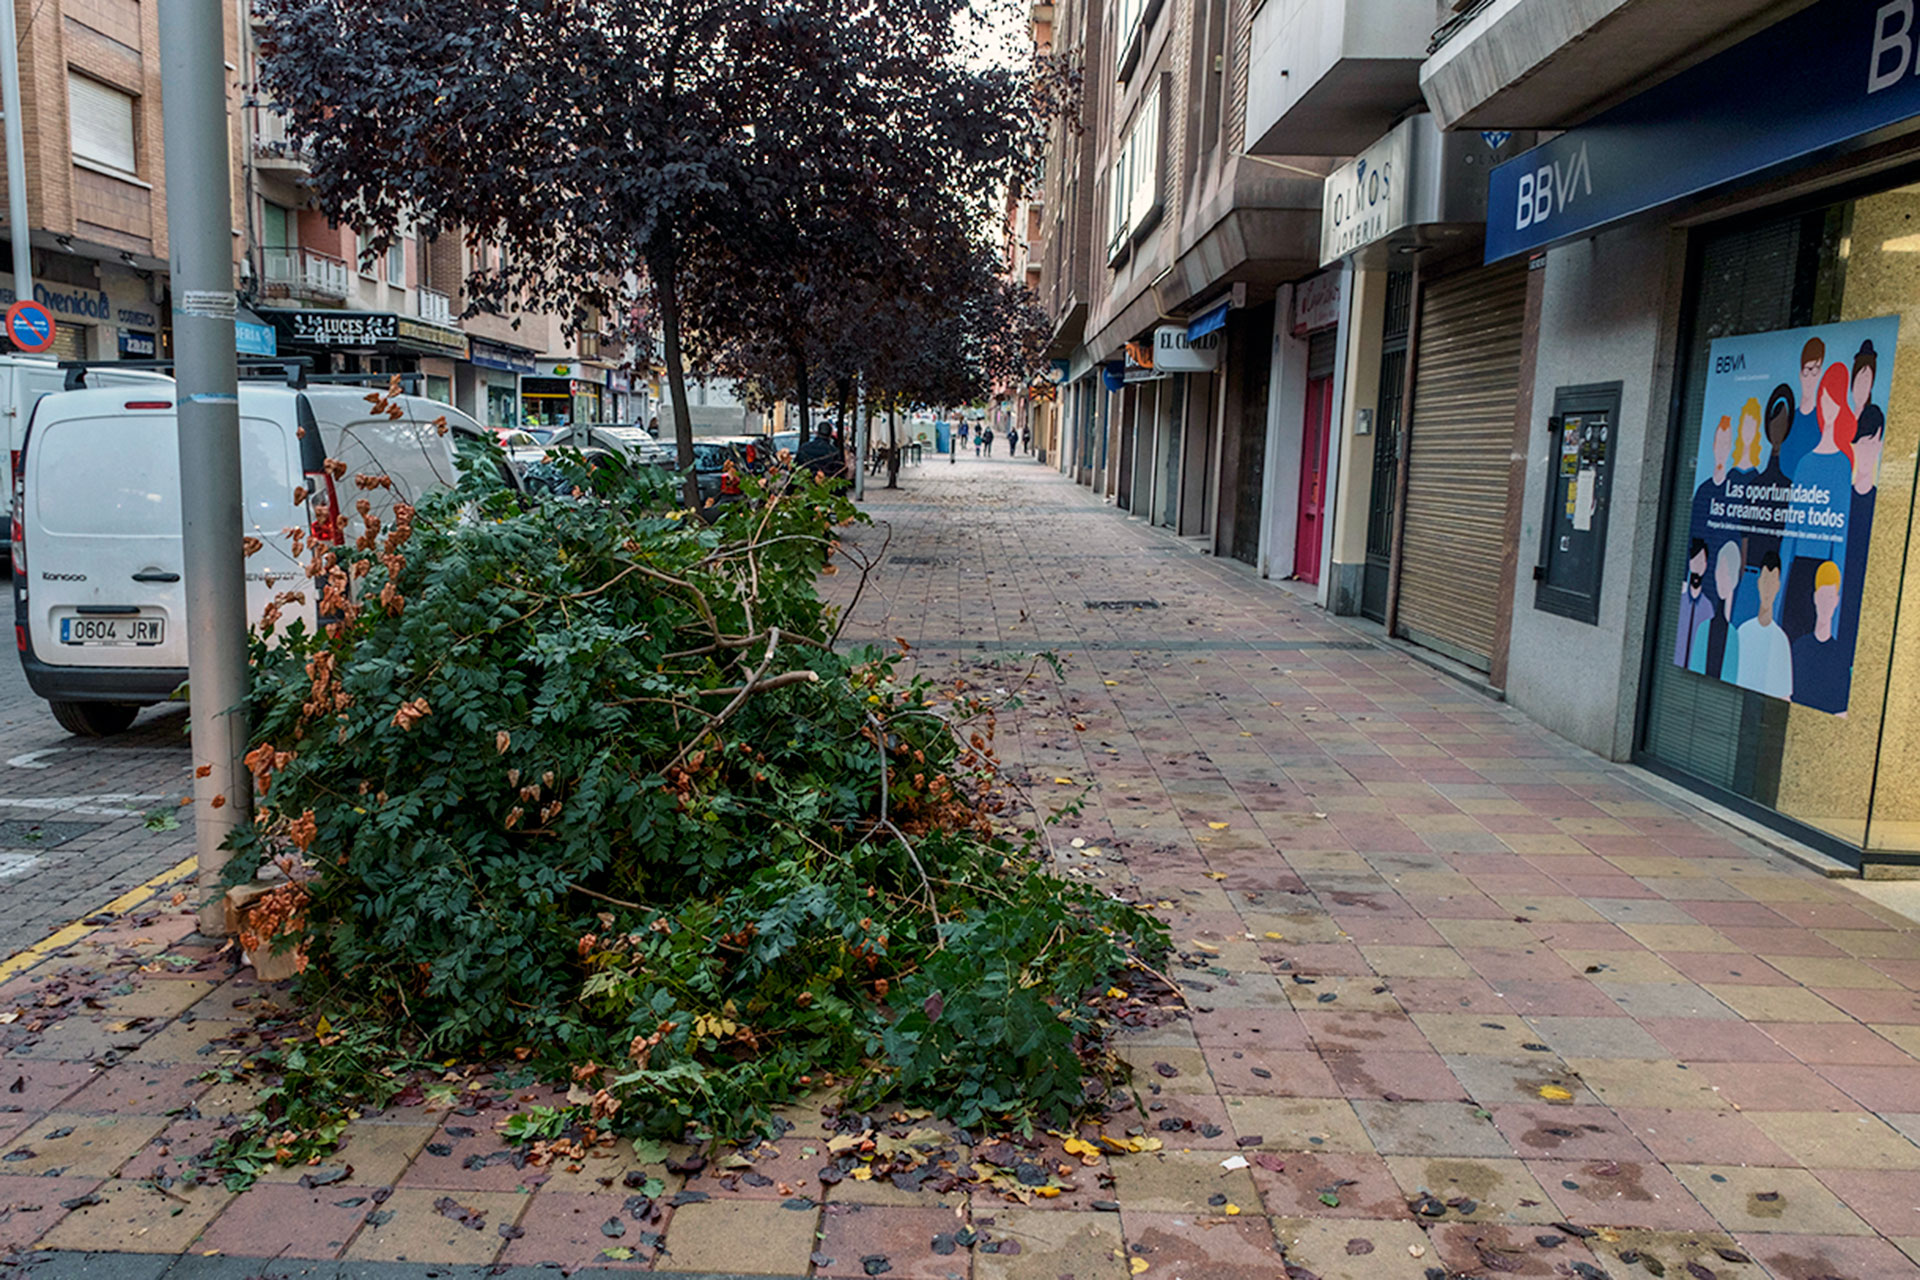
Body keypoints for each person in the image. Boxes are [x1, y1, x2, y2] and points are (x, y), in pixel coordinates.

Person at [1780, 361, 1855, 640]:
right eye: (1824, 399)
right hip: (1798, 569)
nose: (1827, 406)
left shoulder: (1843, 465)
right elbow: (1791, 532)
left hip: (1822, 571)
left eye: (1834, 399)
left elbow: (1840, 534)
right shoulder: (1805, 463)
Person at [1841, 340, 1883, 647]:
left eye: (1868, 378)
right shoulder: (1839, 422)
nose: (1862, 384)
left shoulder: (1873, 418)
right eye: (1859, 377)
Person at [1791, 561, 1849, 713]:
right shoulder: (1799, 648)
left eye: (1830, 597)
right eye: (1822, 596)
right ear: (1815, 598)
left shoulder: (1840, 655)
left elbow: (1842, 710)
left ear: (1836, 601)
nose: (1825, 604)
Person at [1735, 551, 1793, 699]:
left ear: (1778, 586)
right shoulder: (1743, 633)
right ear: (1758, 583)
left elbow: (1784, 694)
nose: (1768, 589)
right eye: (1765, 580)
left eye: (1773, 581)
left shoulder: (1781, 640)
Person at [1690, 541, 1743, 681]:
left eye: (1727, 573)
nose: (1722, 578)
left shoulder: (1733, 635)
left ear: (1735, 578)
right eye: (1720, 570)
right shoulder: (1704, 628)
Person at [1779, 336, 1825, 478]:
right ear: (1800, 374)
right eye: (1807, 370)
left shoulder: (1823, 421)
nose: (1810, 377)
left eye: (1815, 370)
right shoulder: (1789, 421)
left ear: (1820, 374)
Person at [1674, 539, 1716, 671]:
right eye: (1694, 561)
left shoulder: (1708, 608)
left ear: (1705, 565)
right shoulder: (1679, 603)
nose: (1697, 567)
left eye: (1700, 562)